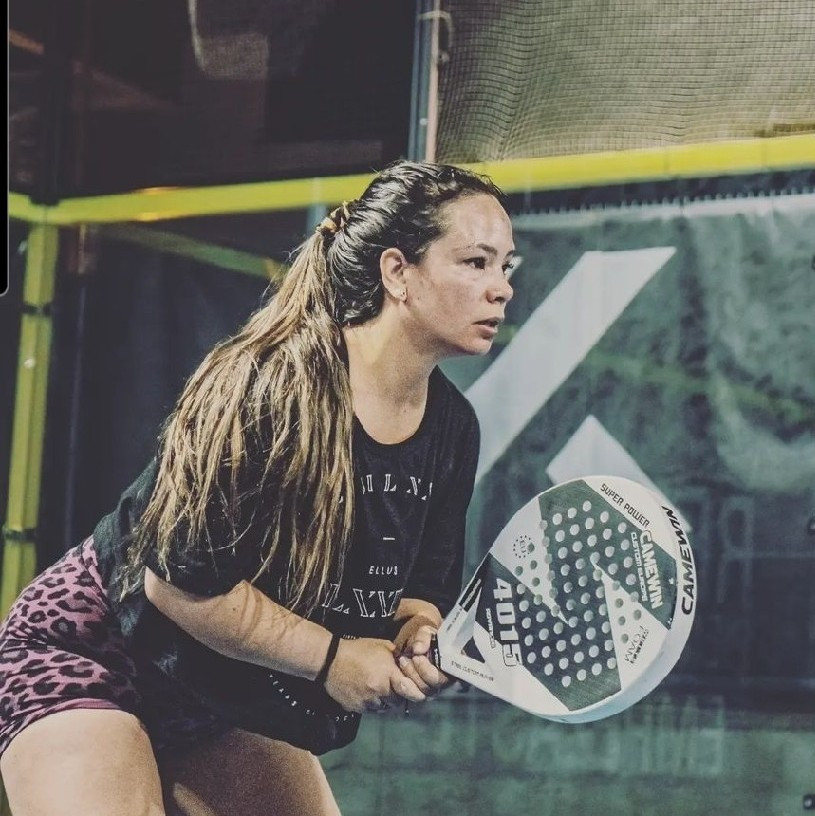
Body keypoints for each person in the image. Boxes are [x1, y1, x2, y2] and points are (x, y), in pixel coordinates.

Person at [0, 159, 515, 815]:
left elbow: (419, 591)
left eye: (506, 267)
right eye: (475, 262)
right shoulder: (267, 388)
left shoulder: (452, 429)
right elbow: (178, 586)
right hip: (97, 651)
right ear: (397, 272)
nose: (501, 288)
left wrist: (415, 635)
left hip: (223, 689)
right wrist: (333, 660)